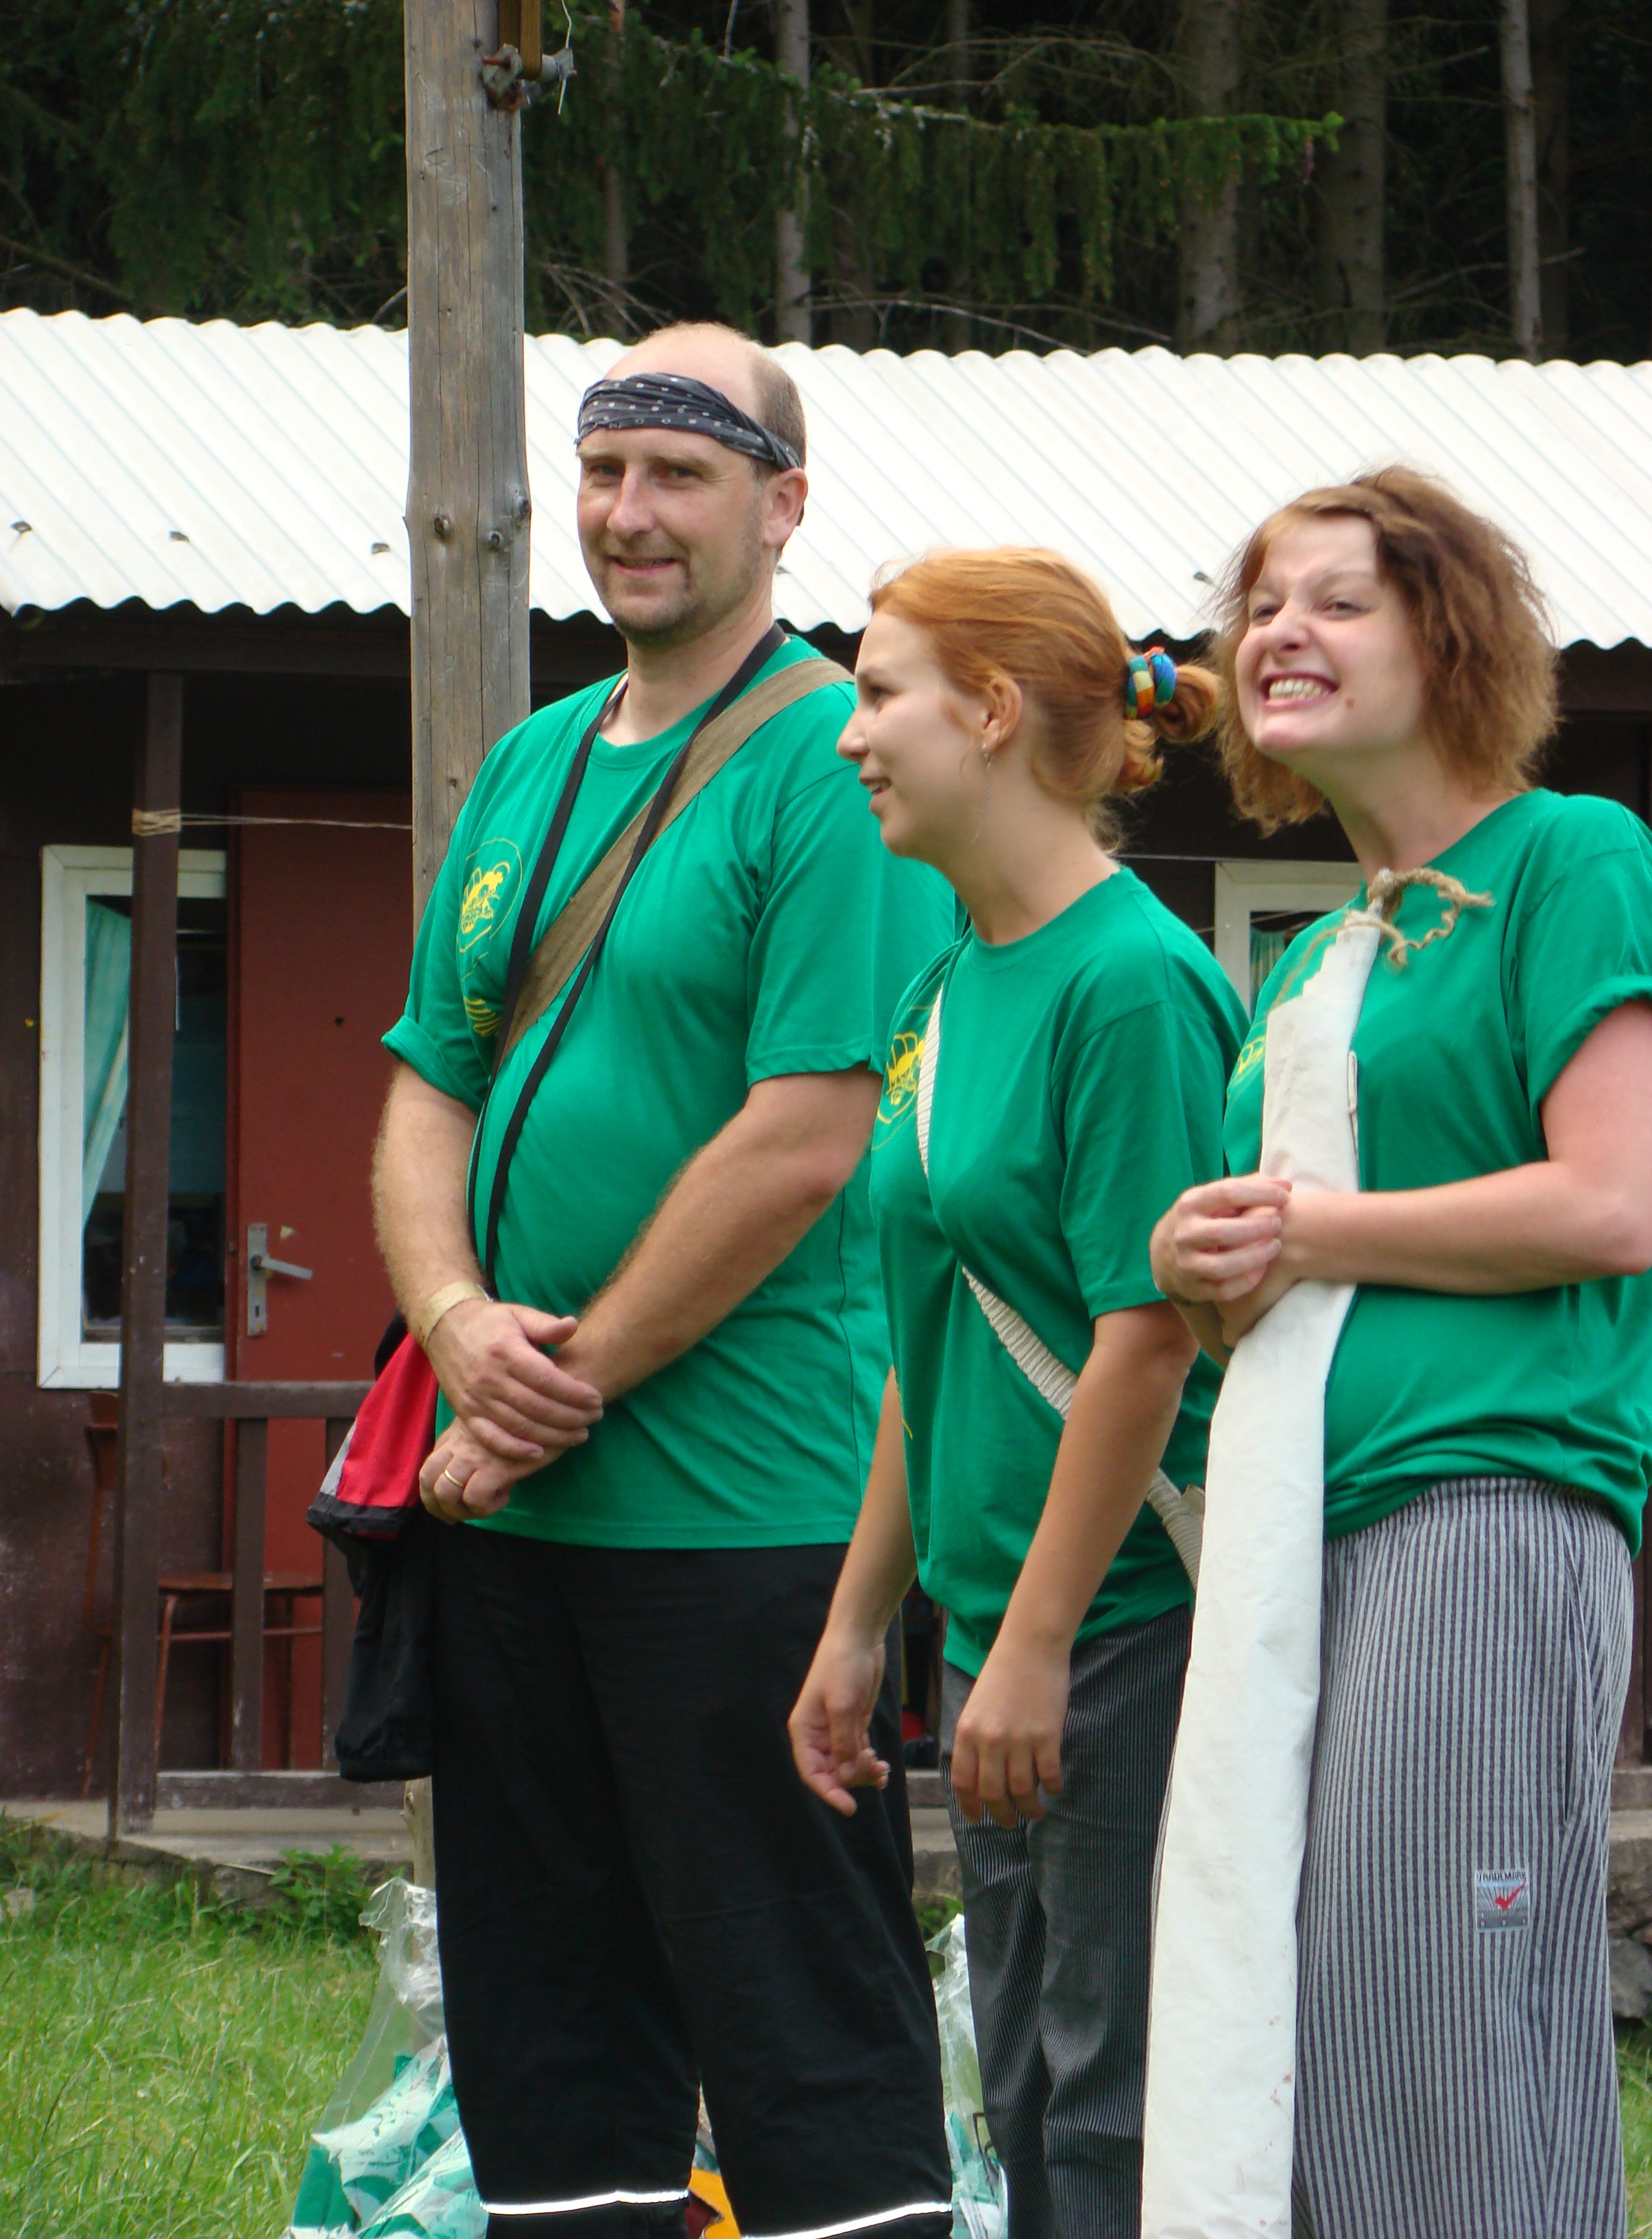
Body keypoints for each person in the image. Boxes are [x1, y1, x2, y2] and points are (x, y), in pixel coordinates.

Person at [372, 323, 955, 2239]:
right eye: (606, 471)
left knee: (802, 2036)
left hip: (746, 1516)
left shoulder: (837, 762)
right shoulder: (531, 763)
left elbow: (808, 1133)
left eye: (681, 475)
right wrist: (459, 1324)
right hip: (512, 1519)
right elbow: (428, 1086)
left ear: (784, 508)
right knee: (546, 2050)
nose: (630, 513)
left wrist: (560, 1385)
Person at [1149, 466, 1652, 2239]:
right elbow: (1293, 1272)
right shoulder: (1318, 963)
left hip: (1483, 1506)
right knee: (1310, 2024)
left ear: (1449, 639)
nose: (1278, 633)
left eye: (1336, 600)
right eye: (1260, 606)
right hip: (1301, 1537)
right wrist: (1204, 1267)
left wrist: (1309, 1231)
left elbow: (1614, 1204)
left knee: (1441, 2031)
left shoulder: (1569, 860)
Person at [788, 549, 1247, 2239]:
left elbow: (1148, 1338)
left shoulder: (1131, 984)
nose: (850, 736)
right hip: (997, 1637)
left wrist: (1041, 1644)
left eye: (877, 693)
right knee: (1033, 2098)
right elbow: (938, 1339)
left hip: (1124, 1633)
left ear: (988, 712)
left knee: (1119, 2107)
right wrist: (862, 1626)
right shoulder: (946, 983)